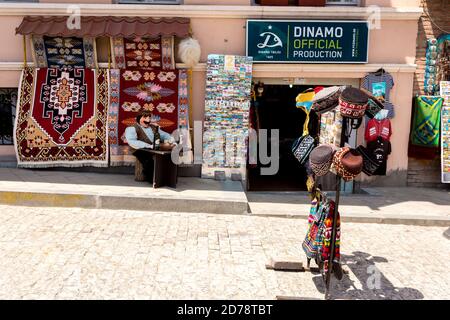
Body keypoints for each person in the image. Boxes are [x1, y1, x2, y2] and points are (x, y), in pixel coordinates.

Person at [125, 110, 176, 181]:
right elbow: (132, 141)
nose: (148, 120)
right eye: (145, 117)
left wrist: (171, 139)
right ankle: (153, 179)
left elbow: (163, 135)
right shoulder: (132, 128)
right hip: (139, 149)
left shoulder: (153, 127)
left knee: (167, 156)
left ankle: (168, 178)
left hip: (153, 147)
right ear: (139, 118)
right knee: (148, 160)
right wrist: (148, 146)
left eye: (149, 117)